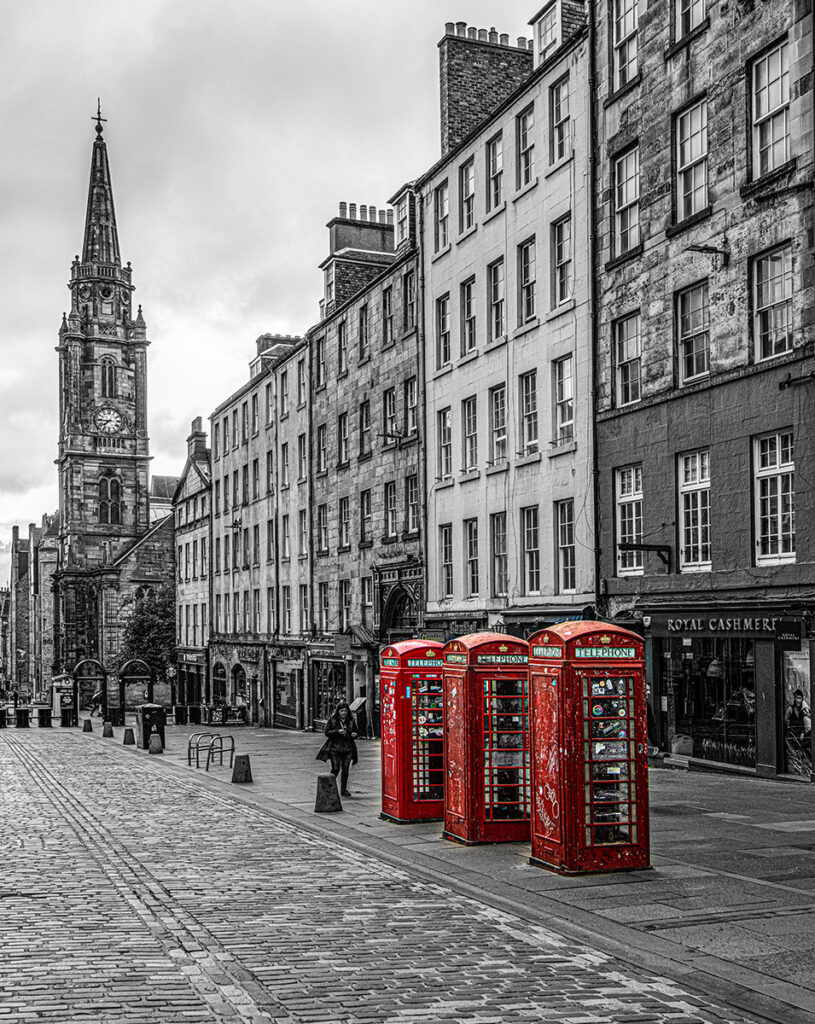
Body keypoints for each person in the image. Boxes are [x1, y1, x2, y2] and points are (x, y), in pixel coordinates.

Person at [315, 701, 358, 797]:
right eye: (342, 711)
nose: (344, 713)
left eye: (345, 711)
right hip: (335, 748)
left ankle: (343, 790)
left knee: (345, 769)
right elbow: (327, 732)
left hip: (348, 748)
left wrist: (354, 734)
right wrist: (337, 731)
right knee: (336, 768)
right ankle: (329, 788)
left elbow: (356, 731)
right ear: (338, 711)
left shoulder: (351, 720)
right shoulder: (333, 720)